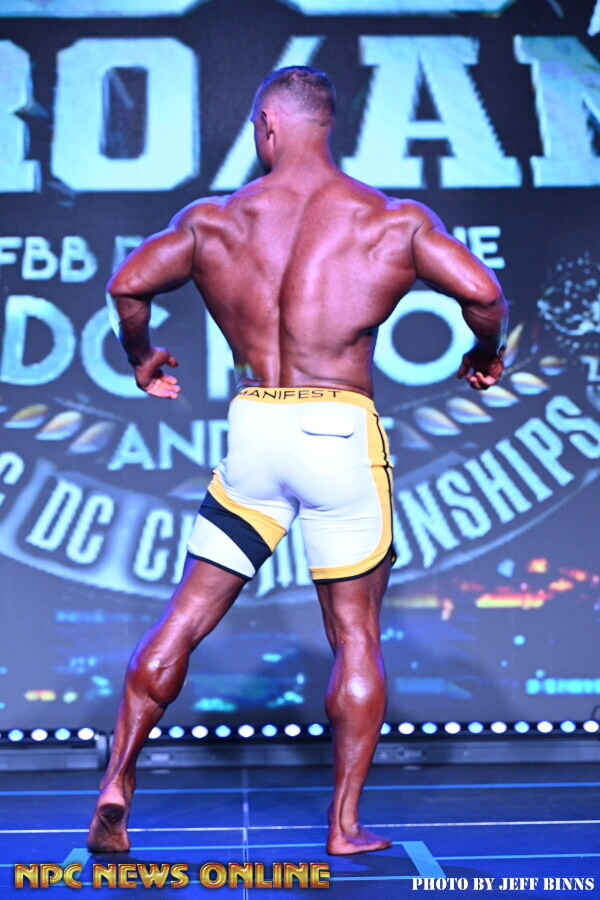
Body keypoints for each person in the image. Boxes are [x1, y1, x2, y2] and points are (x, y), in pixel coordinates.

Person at [87, 65, 508, 857]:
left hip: (256, 429)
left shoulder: (215, 221)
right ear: (327, 125)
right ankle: (343, 827)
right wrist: (484, 354)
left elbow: (128, 284)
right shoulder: (390, 220)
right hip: (338, 432)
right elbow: (483, 293)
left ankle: (118, 780)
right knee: (355, 634)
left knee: (185, 617)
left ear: (267, 128)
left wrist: (142, 358)